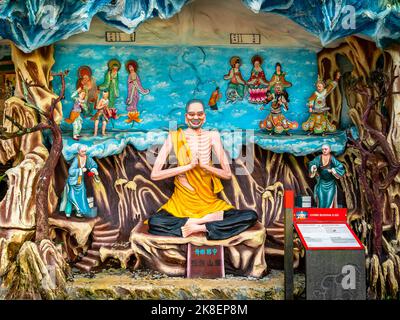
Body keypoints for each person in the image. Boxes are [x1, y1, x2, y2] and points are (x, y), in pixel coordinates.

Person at [148, 99, 258, 240]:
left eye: (199, 114)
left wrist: (206, 166)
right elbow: (155, 175)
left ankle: (200, 225)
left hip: (209, 204)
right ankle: (203, 221)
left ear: (204, 116)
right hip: (180, 205)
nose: (196, 118)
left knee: (250, 216)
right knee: (155, 222)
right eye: (192, 114)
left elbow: (227, 174)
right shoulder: (174, 136)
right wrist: (188, 167)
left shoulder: (212, 136)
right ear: (186, 116)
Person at [59, 145, 100, 218]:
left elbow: (93, 165)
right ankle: (67, 213)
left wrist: (93, 169)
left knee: (81, 197)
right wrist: (80, 170)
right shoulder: (76, 159)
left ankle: (79, 212)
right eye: (82, 151)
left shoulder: (87, 158)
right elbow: (71, 171)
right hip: (73, 182)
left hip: (80, 182)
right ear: (78, 152)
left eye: (85, 151)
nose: (84, 153)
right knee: (71, 197)